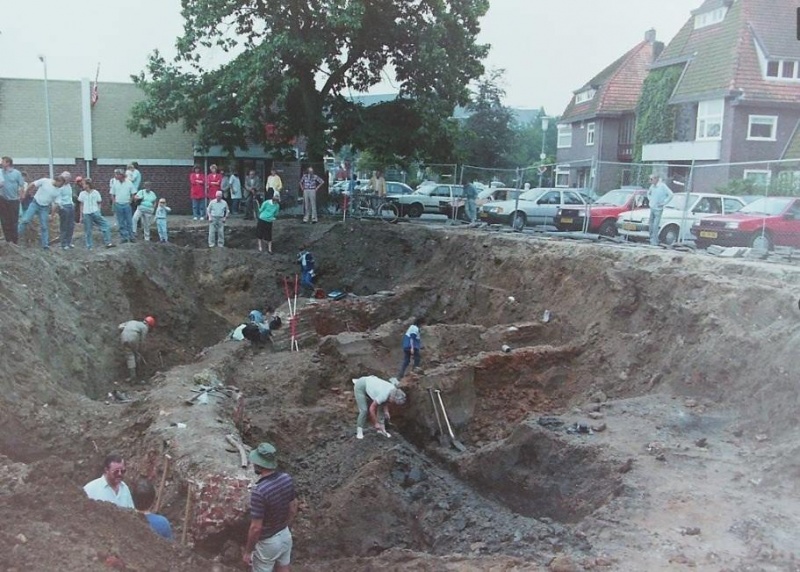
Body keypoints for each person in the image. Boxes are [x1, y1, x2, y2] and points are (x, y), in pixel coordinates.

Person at [243, 443, 298, 572]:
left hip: (268, 543)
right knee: (284, 568)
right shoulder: (286, 478)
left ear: (258, 465)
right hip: (285, 535)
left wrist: (247, 552)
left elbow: (256, 528)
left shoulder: (259, 491)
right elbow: (293, 507)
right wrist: (284, 526)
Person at [18, 175, 66, 250]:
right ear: (58, 181)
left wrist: (52, 215)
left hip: (44, 208)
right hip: (35, 203)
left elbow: (56, 204)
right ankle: (16, 237)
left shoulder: (58, 191)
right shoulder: (45, 181)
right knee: (25, 220)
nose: (61, 186)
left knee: (44, 226)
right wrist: (25, 193)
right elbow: (33, 184)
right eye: (61, 184)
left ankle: (45, 245)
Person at [352, 375, 407, 439]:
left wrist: (386, 411)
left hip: (372, 384)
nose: (394, 403)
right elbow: (372, 409)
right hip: (361, 385)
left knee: (381, 409)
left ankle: (382, 430)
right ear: (393, 398)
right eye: (394, 401)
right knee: (364, 410)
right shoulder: (384, 395)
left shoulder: (393, 390)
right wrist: (375, 423)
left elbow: (385, 403)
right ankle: (359, 431)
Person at [78, 178, 114, 249]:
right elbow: (81, 205)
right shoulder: (82, 194)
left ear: (88, 185)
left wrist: (98, 211)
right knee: (88, 230)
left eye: (84, 184)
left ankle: (108, 242)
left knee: (105, 225)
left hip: (95, 212)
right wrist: (81, 216)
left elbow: (99, 202)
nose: (82, 185)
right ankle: (89, 246)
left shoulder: (95, 192)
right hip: (86, 213)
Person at [119, 316, 155, 381]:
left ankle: (132, 376)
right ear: (149, 325)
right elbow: (142, 340)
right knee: (137, 354)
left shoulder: (132, 322)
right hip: (133, 338)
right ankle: (139, 372)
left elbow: (120, 326)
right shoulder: (144, 327)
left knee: (130, 356)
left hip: (123, 337)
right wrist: (141, 350)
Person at [0, 156, 26, 244]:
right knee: (4, 220)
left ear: (8, 163)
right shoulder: (1, 172)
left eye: (3, 162)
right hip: (3, 199)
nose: (1, 163)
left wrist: (22, 195)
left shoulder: (16, 173)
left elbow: (21, 185)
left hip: (14, 200)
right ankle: (8, 240)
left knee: (13, 220)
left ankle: (14, 240)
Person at [647, 173, 674, 246]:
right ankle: (651, 239)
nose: (650, 181)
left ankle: (654, 241)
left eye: (651, 179)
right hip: (652, 207)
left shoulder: (662, 186)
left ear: (656, 179)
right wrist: (650, 200)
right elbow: (648, 193)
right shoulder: (652, 186)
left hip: (658, 209)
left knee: (655, 225)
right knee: (651, 225)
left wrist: (663, 203)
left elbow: (671, 194)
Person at [110, 168, 136, 243]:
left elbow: (133, 193)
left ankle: (131, 236)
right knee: (121, 222)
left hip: (126, 204)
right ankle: (124, 237)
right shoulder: (115, 183)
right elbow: (112, 194)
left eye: (117, 174)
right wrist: (114, 202)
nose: (116, 176)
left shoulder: (129, 183)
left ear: (122, 175)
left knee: (129, 221)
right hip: (118, 204)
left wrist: (130, 200)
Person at [257, 188, 280, 254]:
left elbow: (276, 214)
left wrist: (272, 217)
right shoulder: (266, 203)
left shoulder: (277, 206)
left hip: (269, 221)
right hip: (262, 219)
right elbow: (261, 210)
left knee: (269, 235)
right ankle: (260, 247)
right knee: (260, 233)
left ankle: (270, 249)